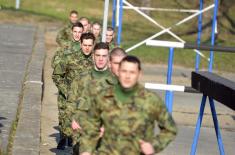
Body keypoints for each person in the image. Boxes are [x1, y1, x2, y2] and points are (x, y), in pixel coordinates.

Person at [78, 55, 177, 155]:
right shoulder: (103, 96)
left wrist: (154, 145)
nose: (127, 76)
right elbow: (91, 126)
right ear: (118, 71)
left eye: (132, 72)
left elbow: (170, 129)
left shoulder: (150, 100)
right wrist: (86, 150)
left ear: (139, 74)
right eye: (124, 71)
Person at [67, 42, 114, 154]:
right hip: (81, 132)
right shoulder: (81, 78)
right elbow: (70, 102)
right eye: (98, 55)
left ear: (108, 57)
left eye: (104, 56)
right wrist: (73, 120)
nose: (101, 59)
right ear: (93, 56)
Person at [52, 32, 95, 150]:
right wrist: (67, 92)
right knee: (67, 126)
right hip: (71, 100)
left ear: (93, 45)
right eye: (85, 45)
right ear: (80, 44)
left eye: (90, 45)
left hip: (88, 102)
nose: (87, 47)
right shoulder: (69, 57)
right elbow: (56, 75)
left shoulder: (97, 60)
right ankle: (64, 139)